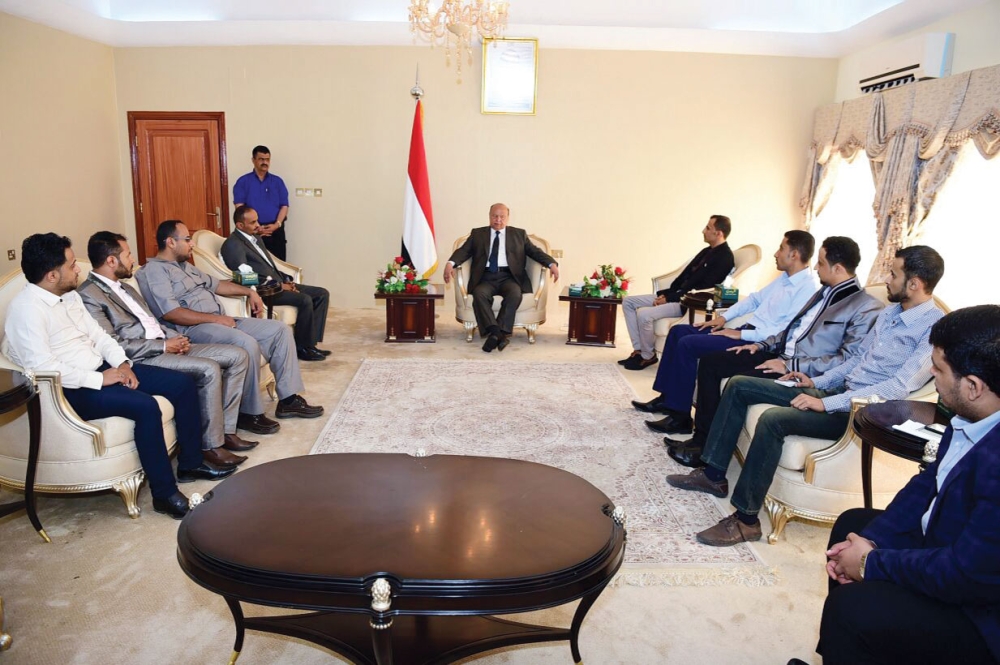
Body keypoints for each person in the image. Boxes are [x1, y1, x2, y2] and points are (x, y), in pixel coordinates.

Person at [666, 245, 946, 547]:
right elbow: (855, 361)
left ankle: (746, 521)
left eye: (893, 274)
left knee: (773, 420)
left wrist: (824, 402)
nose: (887, 279)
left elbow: (897, 387)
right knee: (739, 385)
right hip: (837, 389)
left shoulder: (934, 329)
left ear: (914, 283)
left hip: (860, 411)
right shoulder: (891, 313)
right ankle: (713, 475)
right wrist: (814, 381)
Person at [806, 305, 1000, 665]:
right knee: (853, 525)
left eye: (938, 368)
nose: (930, 374)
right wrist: (870, 543)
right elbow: (926, 485)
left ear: (973, 386)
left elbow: (965, 573)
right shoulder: (970, 418)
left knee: (851, 609)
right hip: (950, 547)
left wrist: (871, 563)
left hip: (981, 613)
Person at [4, 233, 234, 520]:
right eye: (72, 265)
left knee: (182, 384)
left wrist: (122, 364)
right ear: (52, 275)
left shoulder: (70, 296)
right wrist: (101, 380)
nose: (78, 270)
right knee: (145, 406)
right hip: (72, 388)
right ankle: (165, 495)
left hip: (104, 367)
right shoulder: (26, 311)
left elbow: (100, 336)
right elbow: (43, 369)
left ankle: (191, 463)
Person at [664, 237, 883, 467]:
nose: (816, 268)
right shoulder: (823, 292)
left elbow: (845, 360)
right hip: (777, 354)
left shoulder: (865, 307)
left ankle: (706, 453)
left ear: (837, 268)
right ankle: (700, 439)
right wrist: (761, 345)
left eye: (820, 263)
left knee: (735, 382)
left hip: (798, 370)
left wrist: (790, 365)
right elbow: (792, 330)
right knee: (711, 363)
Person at [78, 231, 258, 469]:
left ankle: (225, 431)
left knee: (238, 355)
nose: (133, 260)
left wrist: (175, 338)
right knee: (209, 369)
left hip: (166, 343)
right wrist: (163, 345)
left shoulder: (126, 288)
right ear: (112, 261)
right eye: (128, 255)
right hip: (144, 357)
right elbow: (114, 344)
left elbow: (152, 323)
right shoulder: (88, 295)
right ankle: (210, 447)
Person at [135, 220, 323, 434]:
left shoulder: (186, 266)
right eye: (187, 239)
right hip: (192, 329)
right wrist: (215, 320)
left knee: (279, 330)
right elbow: (171, 313)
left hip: (219, 320)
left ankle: (289, 400)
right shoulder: (154, 272)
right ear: (170, 242)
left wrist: (249, 292)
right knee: (245, 342)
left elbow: (218, 285)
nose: (192, 244)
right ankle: (248, 413)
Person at [632, 230, 821, 434]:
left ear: (794, 254)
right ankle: (668, 399)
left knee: (688, 344)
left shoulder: (807, 289)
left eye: (781, 248)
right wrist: (723, 318)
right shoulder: (785, 278)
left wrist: (741, 335)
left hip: (756, 342)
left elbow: (784, 331)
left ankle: (680, 419)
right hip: (744, 331)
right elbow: (754, 300)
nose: (776, 253)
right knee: (678, 332)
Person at [620, 215, 735, 370]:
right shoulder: (706, 251)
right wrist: (666, 294)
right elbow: (684, 277)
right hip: (674, 295)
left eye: (708, 228)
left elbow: (700, 289)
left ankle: (648, 356)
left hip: (686, 302)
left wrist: (669, 298)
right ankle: (639, 350)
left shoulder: (725, 258)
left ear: (719, 233)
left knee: (644, 315)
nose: (703, 231)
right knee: (628, 302)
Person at [443, 203, 559, 352]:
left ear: (508, 217)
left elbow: (535, 252)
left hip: (509, 277)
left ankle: (495, 335)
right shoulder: (478, 234)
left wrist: (551, 264)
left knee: (515, 294)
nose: (498, 220)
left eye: (502, 217)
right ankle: (498, 334)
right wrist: (450, 263)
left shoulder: (519, 234)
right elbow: (463, 251)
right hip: (486, 277)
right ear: (489, 216)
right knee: (479, 294)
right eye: (495, 216)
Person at [221, 205, 330, 362]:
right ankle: (302, 349)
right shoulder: (233, 244)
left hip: (278, 284)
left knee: (321, 294)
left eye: (257, 220)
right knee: (305, 299)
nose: (258, 225)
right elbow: (243, 277)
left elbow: (269, 266)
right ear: (240, 225)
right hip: (265, 290)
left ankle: (310, 344)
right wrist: (279, 285)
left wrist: (286, 280)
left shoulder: (255, 238)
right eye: (253, 222)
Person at [233, 145, 289, 260]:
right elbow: (240, 208)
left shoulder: (277, 181)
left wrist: (277, 224)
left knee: (279, 265)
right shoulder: (243, 182)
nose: (265, 162)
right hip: (252, 231)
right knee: (255, 265)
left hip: (275, 231)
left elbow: (284, 206)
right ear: (253, 160)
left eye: (267, 159)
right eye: (261, 159)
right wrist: (256, 226)